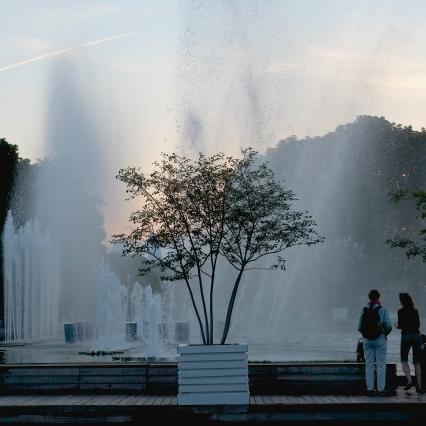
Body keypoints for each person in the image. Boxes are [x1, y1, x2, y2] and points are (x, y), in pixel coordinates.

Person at [358, 289, 392, 396]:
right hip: (380, 338)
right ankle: (381, 389)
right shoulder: (382, 310)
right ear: (378, 297)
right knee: (381, 365)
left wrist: (366, 334)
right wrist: (384, 333)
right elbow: (388, 326)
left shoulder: (364, 310)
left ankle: (370, 389)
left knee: (369, 365)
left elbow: (360, 327)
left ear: (369, 297)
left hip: (367, 340)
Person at [396, 293, 423, 393]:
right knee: (417, 362)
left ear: (402, 301)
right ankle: (419, 386)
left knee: (404, 360)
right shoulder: (415, 310)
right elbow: (418, 324)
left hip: (406, 336)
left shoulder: (400, 311)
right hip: (416, 336)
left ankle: (409, 380)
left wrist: (396, 325)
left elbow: (401, 325)